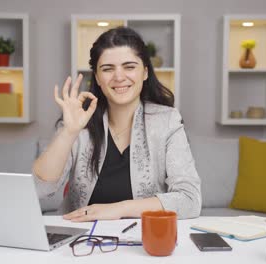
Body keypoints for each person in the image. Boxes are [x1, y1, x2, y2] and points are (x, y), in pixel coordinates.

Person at [32, 26, 201, 222]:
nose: (119, 77)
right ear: (97, 77)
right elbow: (40, 188)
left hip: (144, 242)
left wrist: (118, 209)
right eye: (107, 69)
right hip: (81, 239)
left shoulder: (167, 121)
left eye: (129, 67)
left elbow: (190, 200)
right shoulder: (79, 120)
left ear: (145, 72)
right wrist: (69, 131)